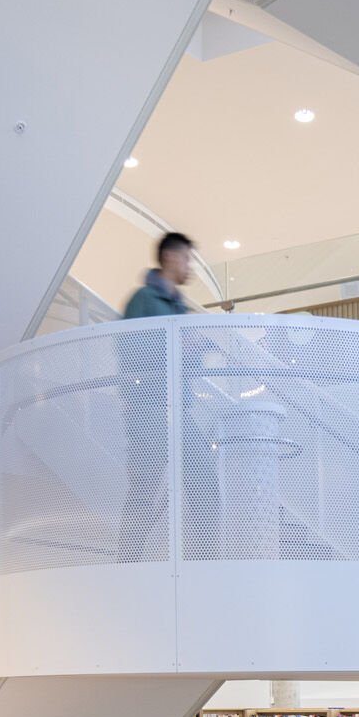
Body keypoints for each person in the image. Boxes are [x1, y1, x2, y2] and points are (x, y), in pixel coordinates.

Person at [117, 233, 221, 560]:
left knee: (204, 480)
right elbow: (131, 351)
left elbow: (186, 364)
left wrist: (195, 348)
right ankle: (128, 562)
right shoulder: (144, 300)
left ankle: (208, 560)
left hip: (178, 410)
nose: (190, 267)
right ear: (171, 257)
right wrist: (181, 345)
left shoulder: (179, 307)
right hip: (148, 409)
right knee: (145, 489)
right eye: (187, 259)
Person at [122, 232, 195, 319]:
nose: (189, 266)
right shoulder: (143, 298)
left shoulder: (181, 306)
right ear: (169, 256)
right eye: (186, 258)